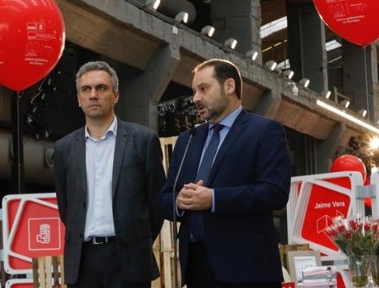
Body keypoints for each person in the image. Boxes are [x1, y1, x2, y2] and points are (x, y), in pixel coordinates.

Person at [159, 58, 292, 287]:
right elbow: (164, 198)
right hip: (196, 270)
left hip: (247, 270)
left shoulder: (264, 131)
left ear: (229, 86)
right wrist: (180, 202)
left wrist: (213, 199)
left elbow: (275, 192)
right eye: (194, 91)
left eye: (203, 88)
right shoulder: (187, 140)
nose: (195, 99)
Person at [54, 60, 166, 287]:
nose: (93, 95)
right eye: (86, 89)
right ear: (78, 99)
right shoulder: (64, 148)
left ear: (115, 95)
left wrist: (134, 240)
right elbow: (66, 207)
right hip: (83, 263)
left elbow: (157, 203)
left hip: (129, 261)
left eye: (101, 88)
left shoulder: (143, 140)